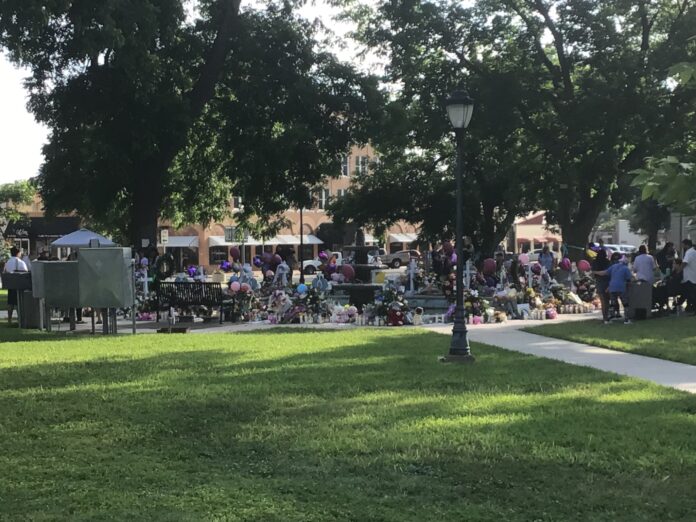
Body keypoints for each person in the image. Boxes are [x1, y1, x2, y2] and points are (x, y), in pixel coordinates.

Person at [596, 254, 633, 324]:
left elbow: (604, 273)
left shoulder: (613, 266)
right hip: (621, 288)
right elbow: (629, 279)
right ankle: (627, 320)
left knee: (612, 304)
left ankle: (608, 319)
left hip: (612, 287)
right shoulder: (626, 268)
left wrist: (594, 272)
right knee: (625, 304)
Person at [3, 247, 29, 325]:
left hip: (10, 285)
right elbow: (26, 272)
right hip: (18, 284)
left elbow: (6, 271)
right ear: (18, 253)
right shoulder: (20, 262)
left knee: (10, 303)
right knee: (19, 302)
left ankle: (9, 319)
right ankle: (20, 318)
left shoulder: (8, 262)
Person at [592, 249, 611, 323]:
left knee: (603, 301)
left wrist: (595, 272)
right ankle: (607, 316)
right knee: (607, 300)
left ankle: (605, 318)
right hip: (607, 282)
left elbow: (593, 272)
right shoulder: (608, 262)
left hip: (599, 282)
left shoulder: (595, 262)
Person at [681, 239, 696, 313]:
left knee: (690, 293)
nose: (682, 246)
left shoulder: (689, 252)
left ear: (687, 245)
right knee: (692, 292)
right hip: (693, 275)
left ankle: (692, 307)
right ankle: (690, 307)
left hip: (689, 277)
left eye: (683, 245)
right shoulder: (694, 252)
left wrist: (679, 270)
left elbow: (685, 262)